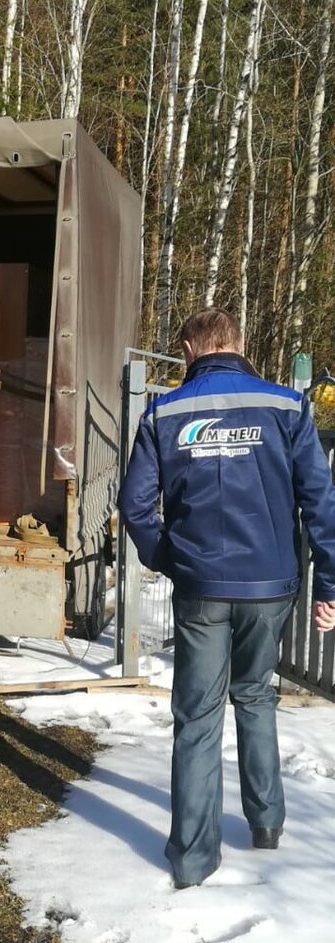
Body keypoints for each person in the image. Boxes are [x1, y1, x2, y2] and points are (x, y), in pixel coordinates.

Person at [119, 308, 335, 889]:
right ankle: (266, 825)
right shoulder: (287, 407)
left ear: (190, 349)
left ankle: (192, 859)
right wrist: (331, 586)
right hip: (271, 587)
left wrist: (172, 560)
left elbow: (136, 507)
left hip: (202, 590)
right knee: (257, 696)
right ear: (236, 343)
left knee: (197, 717)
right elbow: (322, 503)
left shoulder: (164, 411)